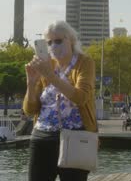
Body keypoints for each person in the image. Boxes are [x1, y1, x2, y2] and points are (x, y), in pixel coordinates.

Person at [23, 21, 96, 181]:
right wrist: (31, 83)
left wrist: (50, 76)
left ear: (71, 40)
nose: (53, 46)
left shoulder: (84, 63)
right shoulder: (46, 65)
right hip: (41, 136)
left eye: (58, 40)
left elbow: (81, 97)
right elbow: (30, 109)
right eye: (49, 42)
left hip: (75, 138)